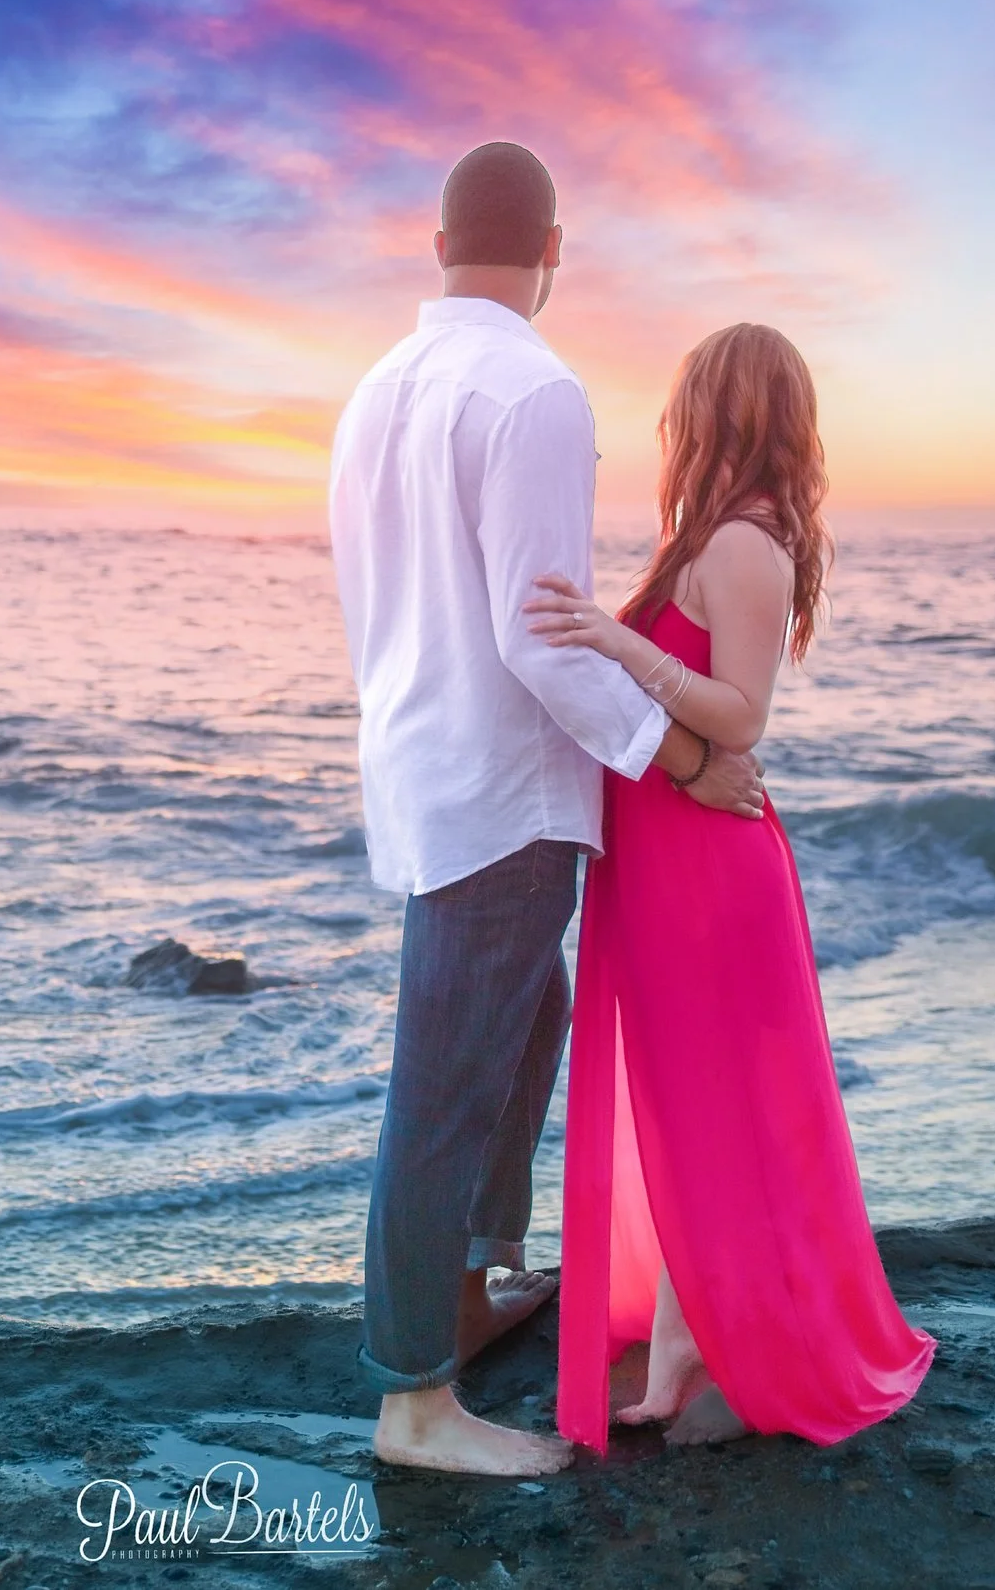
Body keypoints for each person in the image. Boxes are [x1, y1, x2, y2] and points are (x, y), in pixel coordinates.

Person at [327, 141, 768, 1478]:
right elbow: (541, 639)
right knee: (447, 1076)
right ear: (555, 249)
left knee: (529, 1022)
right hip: (500, 783)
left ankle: (468, 1287)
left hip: (415, 759)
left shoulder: (375, 390)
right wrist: (680, 760)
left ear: (438, 243)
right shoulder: (535, 389)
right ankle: (413, 1400)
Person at [523, 322, 936, 1450]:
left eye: (684, 407)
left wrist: (616, 641)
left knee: (703, 1100)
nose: (671, 428)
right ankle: (680, 1331)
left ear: (717, 414)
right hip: (670, 856)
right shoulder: (705, 538)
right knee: (677, 1099)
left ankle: (699, 1334)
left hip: (708, 872)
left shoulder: (743, 545)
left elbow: (740, 713)